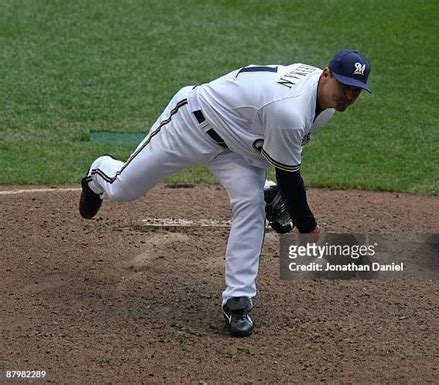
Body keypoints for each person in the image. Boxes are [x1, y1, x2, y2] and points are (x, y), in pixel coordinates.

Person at [79, 49, 371, 337]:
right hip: (191, 124)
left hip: (238, 148)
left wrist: (275, 190)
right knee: (123, 189)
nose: (347, 95)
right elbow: (289, 175)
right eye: (343, 86)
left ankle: (238, 300)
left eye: (355, 90)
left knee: (251, 205)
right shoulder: (291, 110)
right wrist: (308, 226)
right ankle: (98, 172)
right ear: (326, 75)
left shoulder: (325, 104)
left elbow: (275, 150)